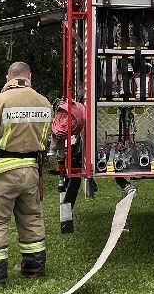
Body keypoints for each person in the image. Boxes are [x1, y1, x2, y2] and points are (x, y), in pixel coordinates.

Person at [0, 62, 52, 287]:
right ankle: (34, 268)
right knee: (31, 217)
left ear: (8, 79)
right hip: (31, 170)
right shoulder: (44, 103)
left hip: (2, 171)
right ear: (29, 77)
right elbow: (45, 140)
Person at [51, 98, 133, 234]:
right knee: (74, 178)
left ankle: (66, 219)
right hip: (78, 150)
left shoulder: (67, 121)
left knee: (74, 178)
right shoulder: (66, 125)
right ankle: (66, 218)